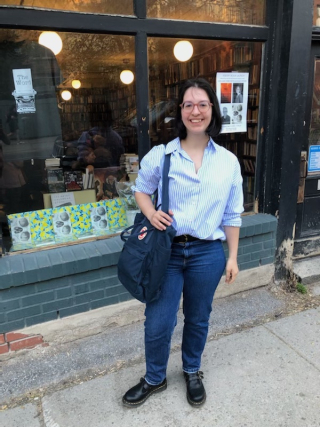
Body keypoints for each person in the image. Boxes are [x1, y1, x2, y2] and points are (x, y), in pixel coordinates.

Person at [122, 78, 243, 408]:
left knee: (198, 317)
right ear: (180, 112)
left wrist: (232, 257)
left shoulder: (228, 162)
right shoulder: (163, 155)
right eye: (188, 105)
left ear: (212, 111)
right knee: (159, 321)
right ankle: (154, 378)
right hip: (168, 252)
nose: (195, 111)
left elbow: (233, 214)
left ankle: (192, 370)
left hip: (207, 253)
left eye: (202, 104)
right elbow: (140, 189)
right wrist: (150, 212)